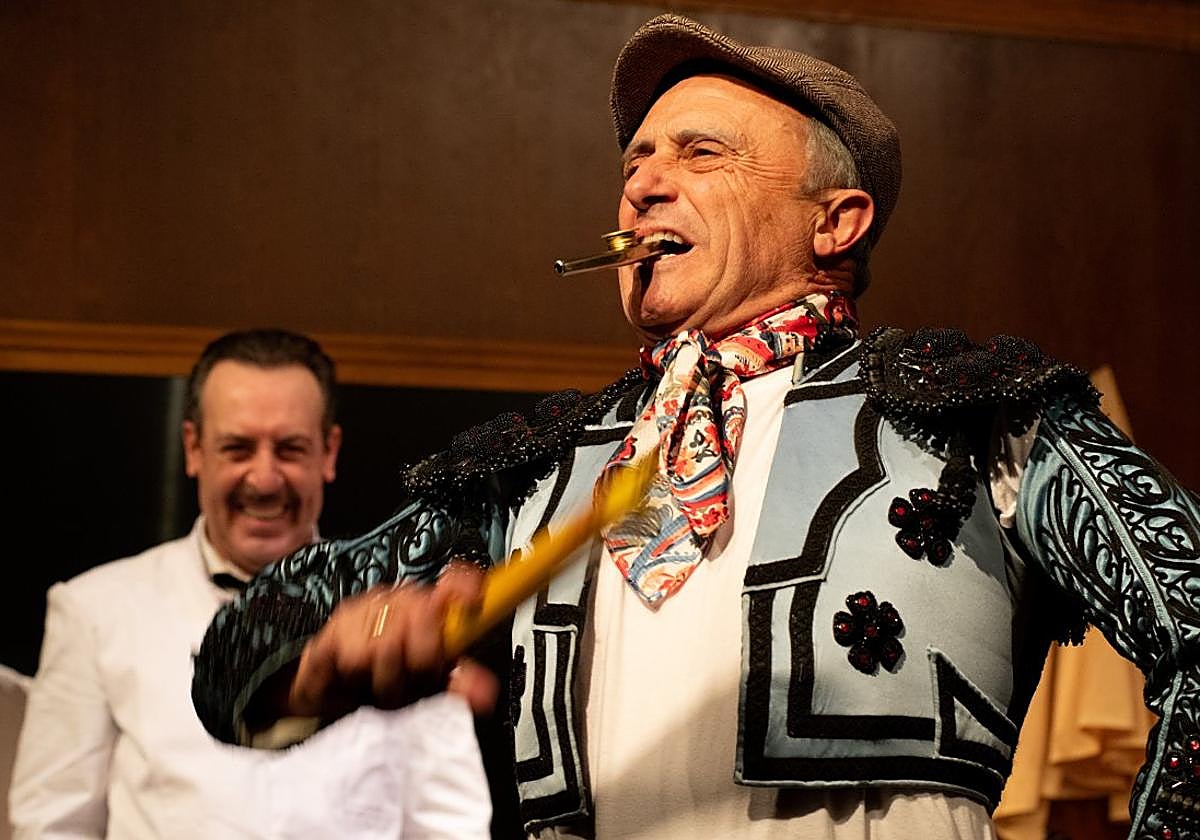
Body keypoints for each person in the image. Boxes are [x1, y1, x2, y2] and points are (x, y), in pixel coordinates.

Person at [190, 15, 1200, 840]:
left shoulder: (977, 416)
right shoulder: (536, 467)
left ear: (835, 221)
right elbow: (232, 665)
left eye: (700, 153)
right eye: (635, 161)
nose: (642, 183)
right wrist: (327, 656)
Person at [10, 329, 491, 839]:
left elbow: (453, 827)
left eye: (290, 449)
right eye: (237, 448)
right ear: (194, 449)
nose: (264, 480)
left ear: (328, 453)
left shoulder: (407, 612)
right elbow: (51, 827)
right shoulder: (93, 609)